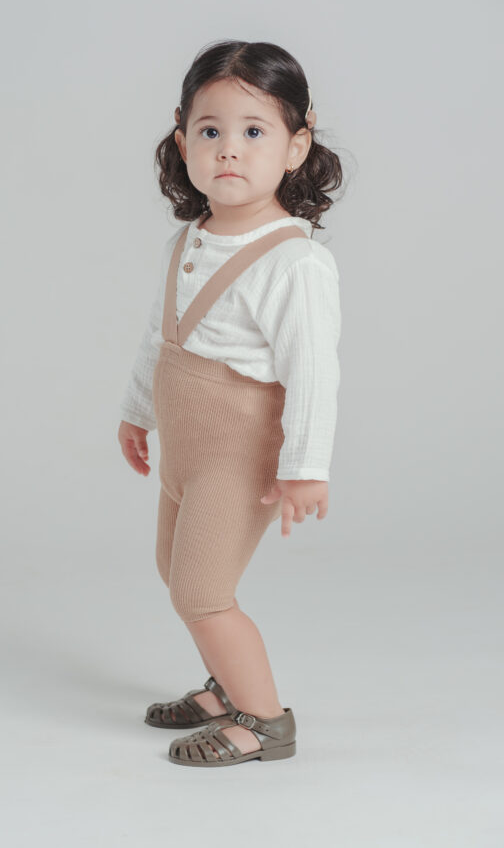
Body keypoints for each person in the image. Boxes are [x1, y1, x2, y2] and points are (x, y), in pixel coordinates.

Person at [117, 39, 344, 767]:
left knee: (202, 588)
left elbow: (314, 373)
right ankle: (224, 687)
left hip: (239, 453)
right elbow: (163, 335)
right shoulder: (188, 239)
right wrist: (137, 411)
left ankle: (264, 720)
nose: (229, 150)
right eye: (210, 130)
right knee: (173, 567)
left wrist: (305, 467)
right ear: (183, 141)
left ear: (296, 147)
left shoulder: (295, 261)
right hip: (186, 442)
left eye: (254, 131)